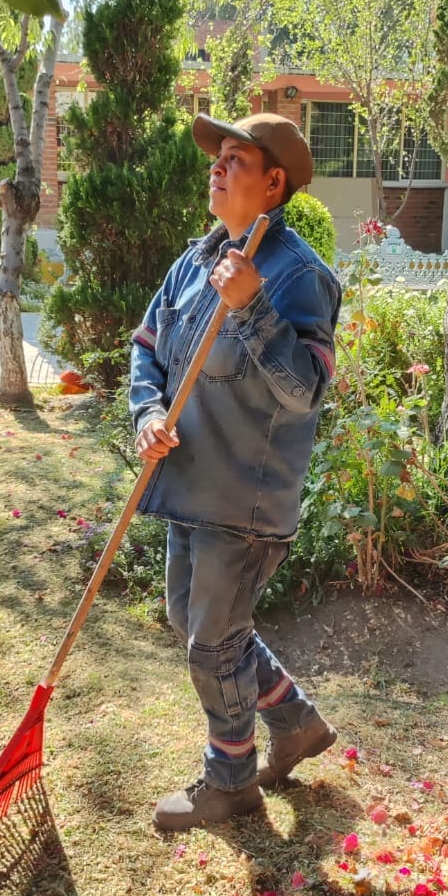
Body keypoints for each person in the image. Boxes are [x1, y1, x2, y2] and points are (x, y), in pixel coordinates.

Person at [129, 112, 342, 832]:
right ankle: (296, 721)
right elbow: (147, 349)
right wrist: (147, 412)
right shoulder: (192, 264)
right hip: (185, 482)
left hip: (244, 500)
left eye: (233, 160)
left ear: (274, 182)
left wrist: (250, 307)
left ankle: (229, 781)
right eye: (215, 159)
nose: (215, 169)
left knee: (211, 642)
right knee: (193, 624)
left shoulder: (300, 277)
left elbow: (305, 390)